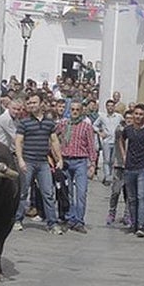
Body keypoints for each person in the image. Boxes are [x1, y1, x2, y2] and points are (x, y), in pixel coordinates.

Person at [14, 91, 65, 234]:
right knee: (23, 192)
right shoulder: (24, 122)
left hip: (43, 163)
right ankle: (17, 220)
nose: (31, 105)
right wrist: (20, 160)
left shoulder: (49, 123)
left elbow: (54, 141)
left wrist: (59, 158)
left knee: (48, 193)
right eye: (29, 103)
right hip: (28, 161)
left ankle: (52, 223)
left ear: (41, 103)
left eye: (34, 102)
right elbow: (18, 141)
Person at [118, 104, 144, 238]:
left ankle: (141, 225)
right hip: (130, 167)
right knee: (131, 198)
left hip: (143, 167)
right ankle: (134, 223)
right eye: (136, 114)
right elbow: (121, 140)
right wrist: (124, 155)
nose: (138, 116)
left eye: (141, 114)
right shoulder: (128, 129)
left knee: (142, 197)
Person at [57, 100, 97, 233]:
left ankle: (79, 220)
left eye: (77, 110)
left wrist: (93, 164)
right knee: (67, 193)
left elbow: (91, 146)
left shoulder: (86, 126)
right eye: (72, 109)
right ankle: (70, 218)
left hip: (80, 162)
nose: (74, 112)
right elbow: (53, 137)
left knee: (81, 192)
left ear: (81, 111)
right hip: (66, 161)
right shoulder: (63, 124)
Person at [94, 98, 124, 184]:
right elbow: (94, 125)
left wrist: (121, 130)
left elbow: (124, 124)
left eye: (112, 106)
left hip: (116, 141)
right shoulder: (102, 117)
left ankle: (110, 175)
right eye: (108, 106)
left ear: (114, 107)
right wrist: (100, 132)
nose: (110, 108)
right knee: (106, 160)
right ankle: (107, 177)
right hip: (106, 141)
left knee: (112, 160)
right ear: (106, 107)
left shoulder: (118, 116)